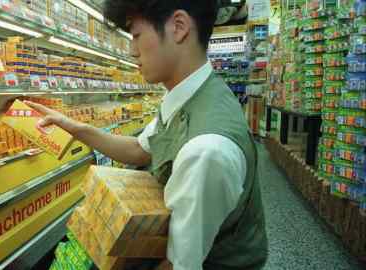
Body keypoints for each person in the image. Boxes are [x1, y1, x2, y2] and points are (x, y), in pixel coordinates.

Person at [26, 1, 268, 269]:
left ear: (179, 27)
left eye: (136, 35)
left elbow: (179, 265)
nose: (131, 50)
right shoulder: (191, 94)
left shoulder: (206, 150)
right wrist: (73, 126)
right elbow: (139, 149)